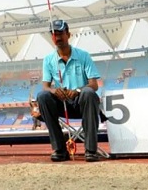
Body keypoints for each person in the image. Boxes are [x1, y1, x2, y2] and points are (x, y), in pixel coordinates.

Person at [36, 19, 102, 162]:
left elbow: (94, 84)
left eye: (60, 33)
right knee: (43, 96)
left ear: (68, 34)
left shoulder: (83, 55)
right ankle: (59, 149)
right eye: (54, 34)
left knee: (88, 92)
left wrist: (77, 90)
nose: (57, 38)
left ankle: (91, 150)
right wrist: (55, 91)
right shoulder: (48, 60)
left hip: (82, 103)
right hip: (62, 104)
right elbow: (46, 86)